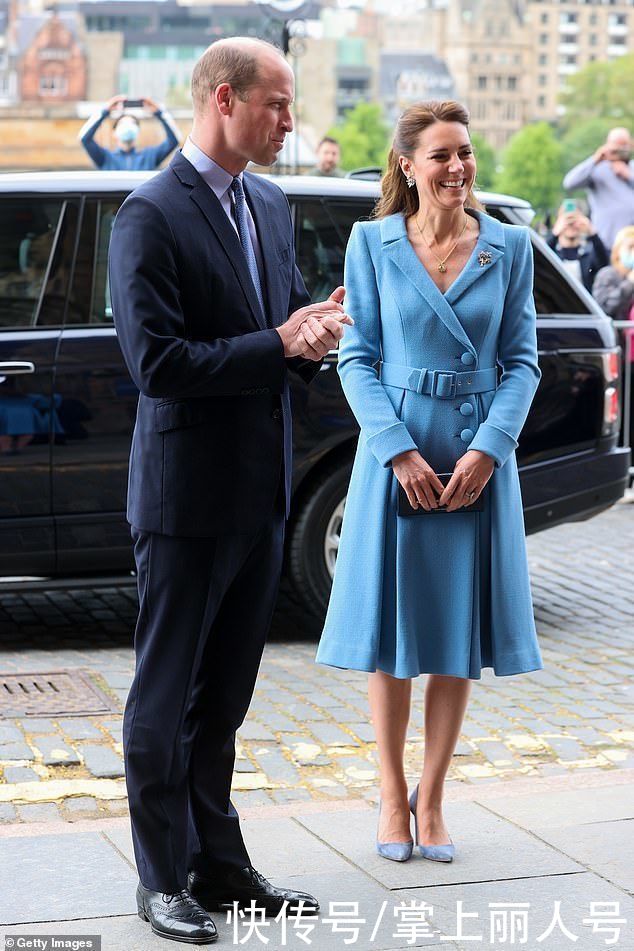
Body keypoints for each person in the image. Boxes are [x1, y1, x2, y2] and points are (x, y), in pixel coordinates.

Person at [108, 38, 352, 945]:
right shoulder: (149, 214)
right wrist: (277, 344)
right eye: (278, 105)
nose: (291, 122)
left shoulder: (271, 203)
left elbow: (276, 321)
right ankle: (160, 877)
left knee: (228, 698)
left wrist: (312, 328)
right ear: (224, 98)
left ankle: (220, 860)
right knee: (164, 695)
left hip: (263, 491)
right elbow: (158, 364)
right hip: (185, 499)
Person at [316, 100, 543, 864]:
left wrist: (489, 449)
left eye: (466, 153)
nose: (457, 168)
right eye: (441, 155)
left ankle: (434, 796)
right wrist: (395, 450)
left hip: (476, 454)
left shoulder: (509, 247)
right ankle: (389, 791)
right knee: (392, 634)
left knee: (453, 633)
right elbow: (357, 356)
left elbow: (522, 361)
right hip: (398, 452)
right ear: (407, 165)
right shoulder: (370, 243)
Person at [593, 226, 634, 447]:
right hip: (621, 359)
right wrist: (629, 283)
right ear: (619, 250)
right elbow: (604, 307)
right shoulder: (609, 275)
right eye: (631, 247)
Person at [562, 128, 634, 253]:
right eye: (616, 146)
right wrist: (595, 159)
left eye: (624, 146)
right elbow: (569, 183)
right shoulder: (596, 169)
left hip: (630, 245)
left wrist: (628, 175)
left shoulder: (632, 168)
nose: (620, 151)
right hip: (603, 243)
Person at [78, 94, 181, 170]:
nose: (128, 126)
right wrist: (105, 111)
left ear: (137, 131)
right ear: (114, 132)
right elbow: (85, 139)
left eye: (132, 123)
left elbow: (174, 140)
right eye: (122, 123)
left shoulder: (149, 156)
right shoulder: (105, 157)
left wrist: (159, 112)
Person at [546, 202, 608, 293]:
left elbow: (604, 264)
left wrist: (591, 232)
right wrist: (555, 234)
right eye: (567, 220)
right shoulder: (552, 253)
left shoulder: (588, 253)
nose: (571, 224)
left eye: (574, 220)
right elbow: (538, 260)